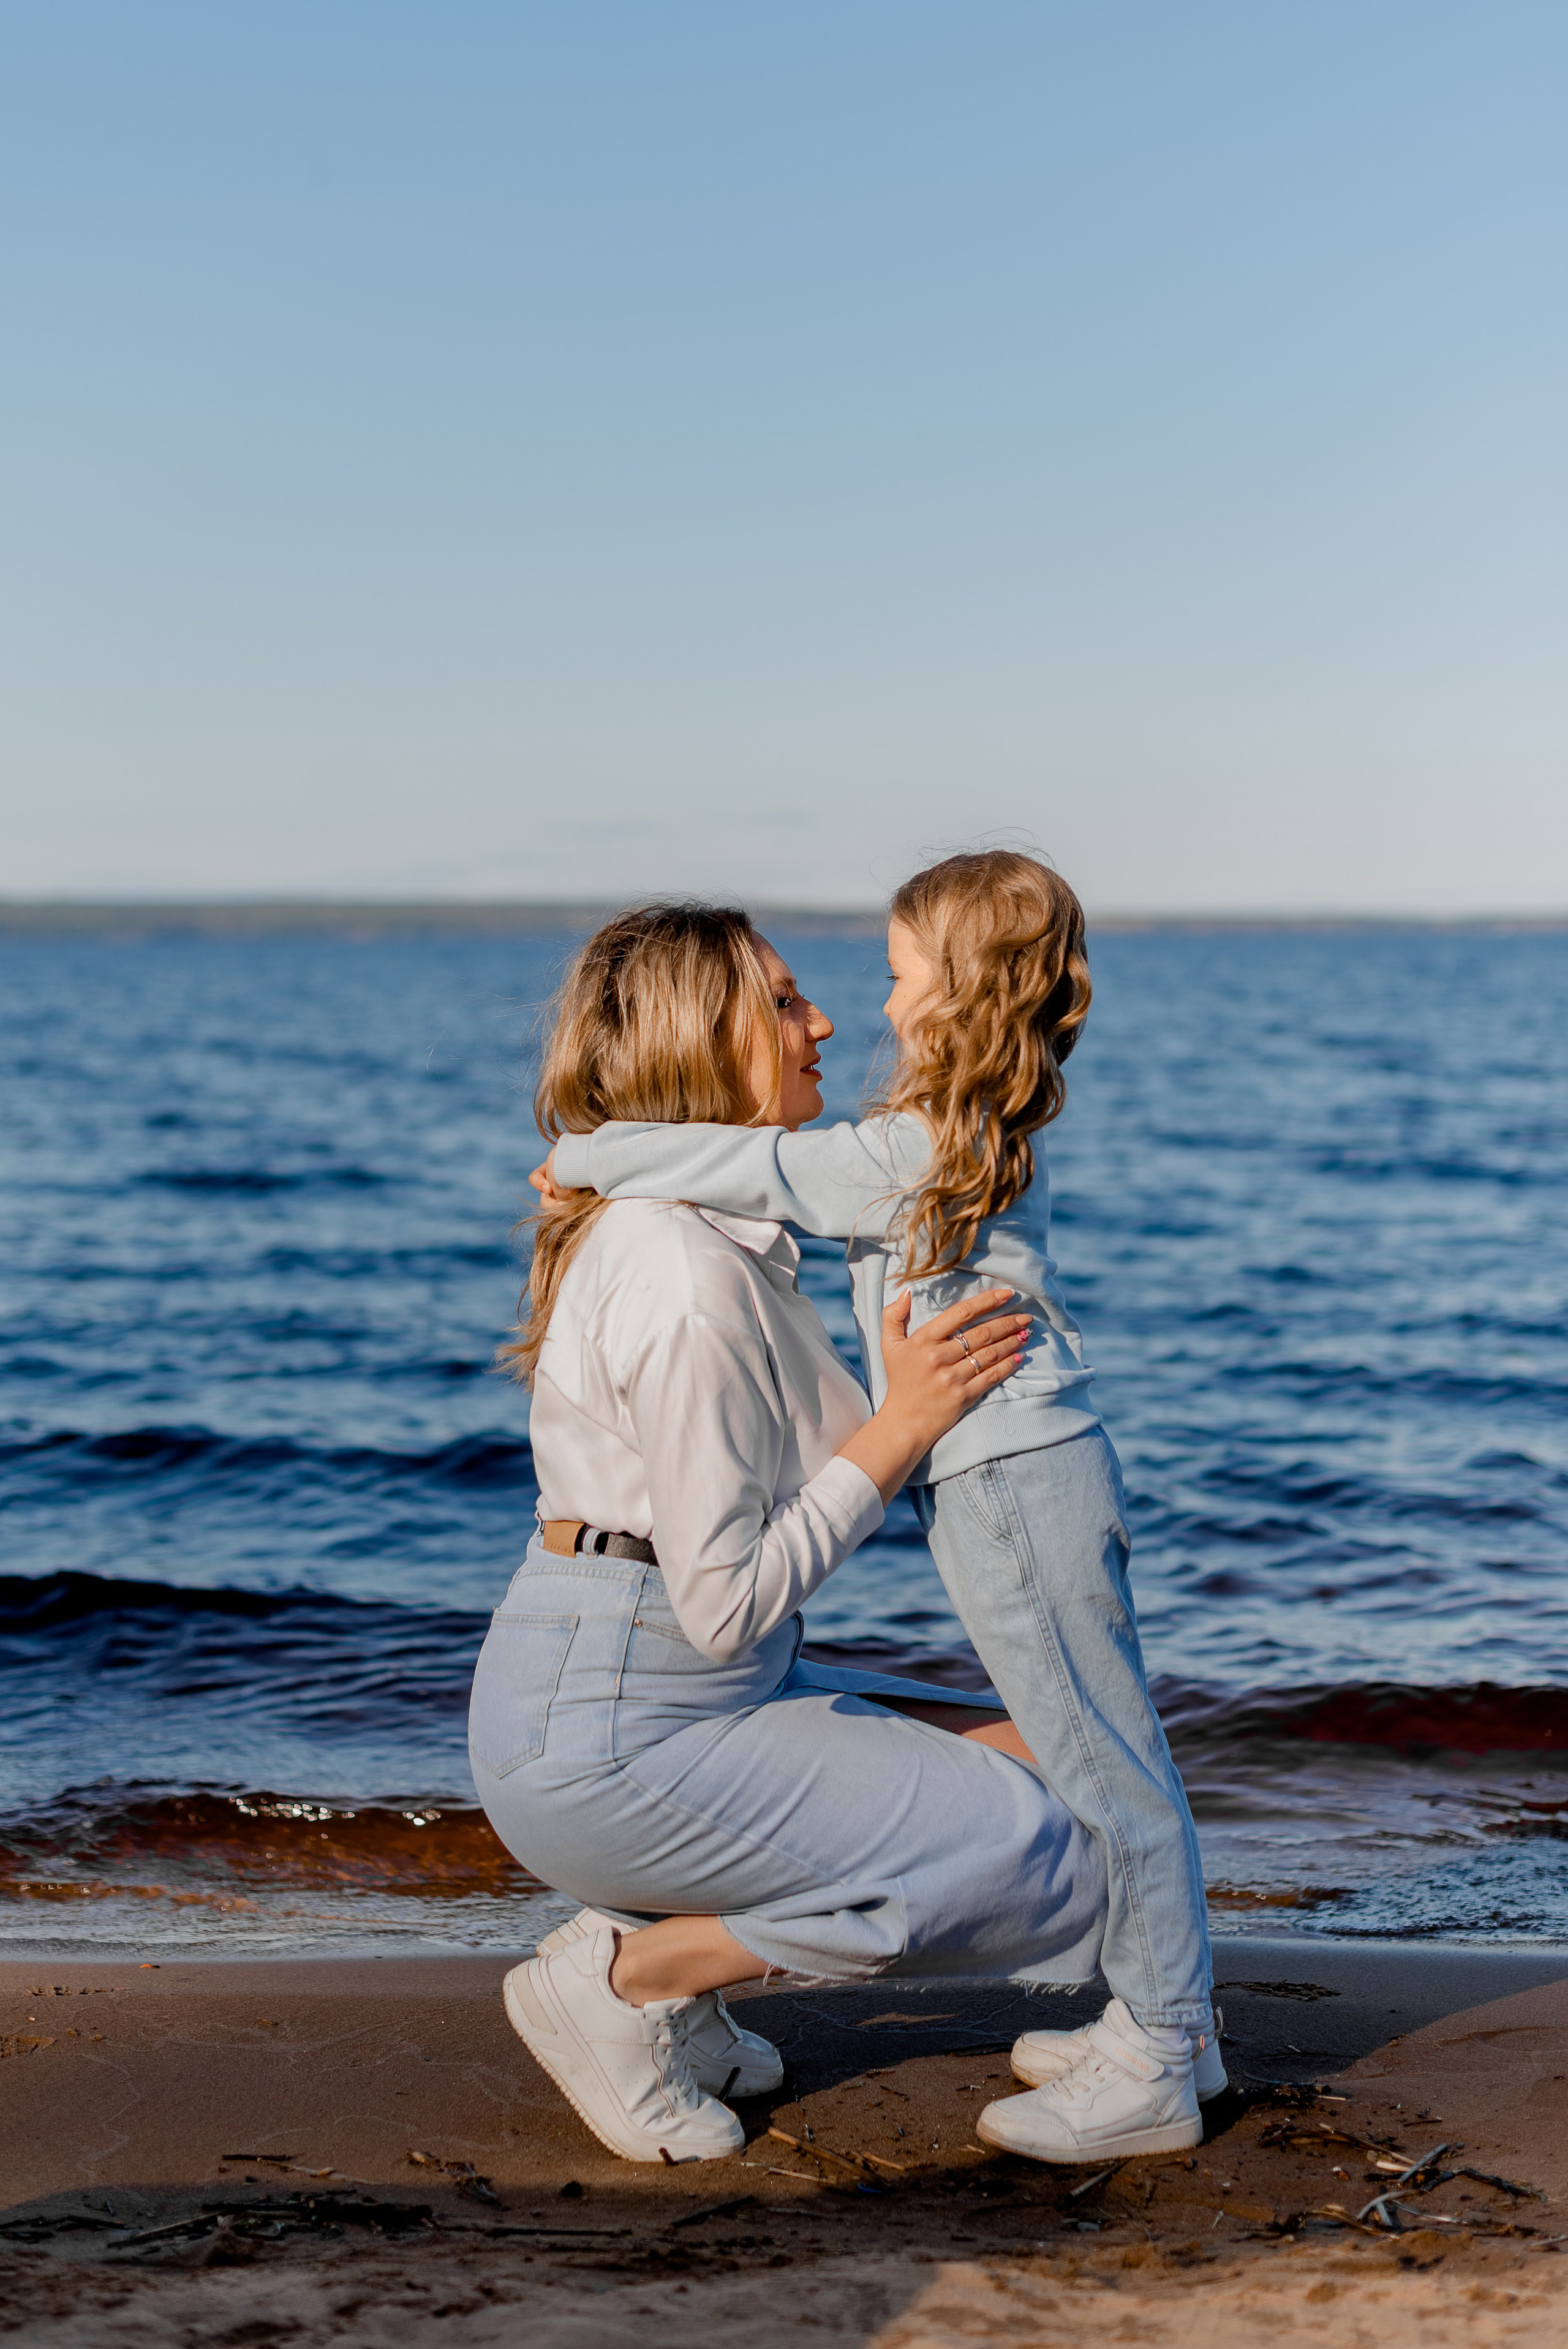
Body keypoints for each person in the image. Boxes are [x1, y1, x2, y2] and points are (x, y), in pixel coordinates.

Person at [538, 853, 1219, 2163]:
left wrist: (588, 1155)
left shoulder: (916, 1149)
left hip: (1011, 1480)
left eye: (902, 976)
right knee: (1100, 1747)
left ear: (957, 993)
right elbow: (776, 1185)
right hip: (1019, 1473)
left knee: (1098, 1761)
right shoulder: (956, 1133)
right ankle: (1173, 2031)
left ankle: (1156, 2053)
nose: (878, 1005)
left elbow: (770, 1173)